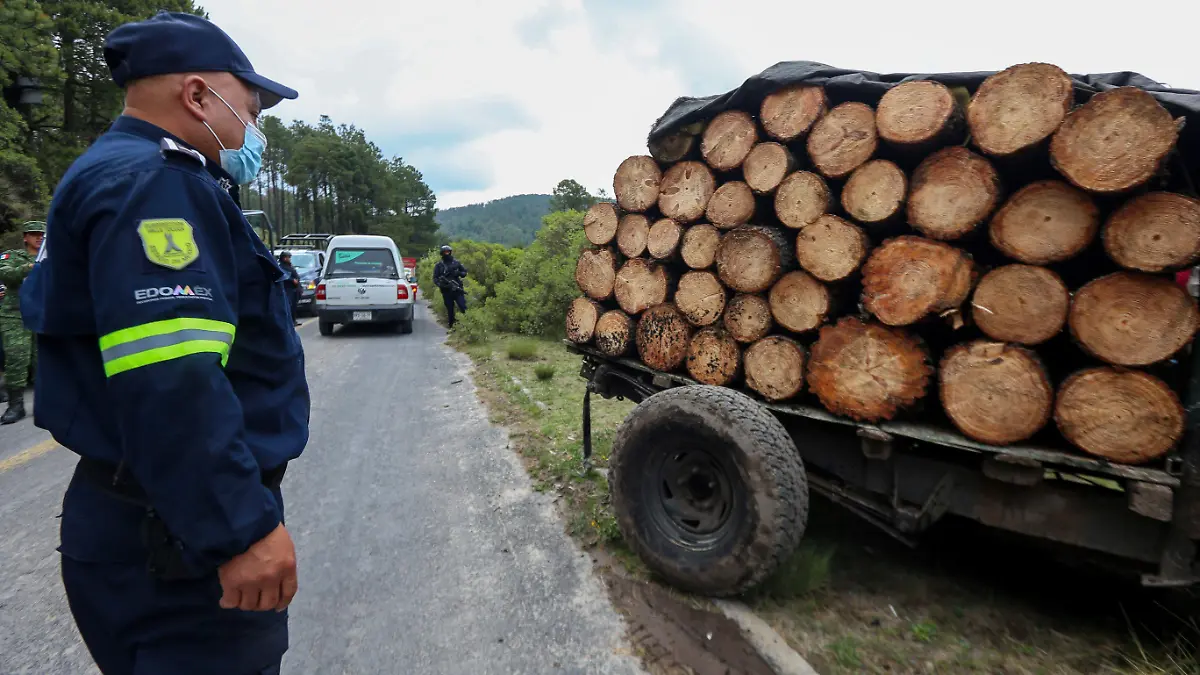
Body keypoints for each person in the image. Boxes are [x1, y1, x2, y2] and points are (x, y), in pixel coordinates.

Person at [18, 11, 309, 675]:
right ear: (197, 95)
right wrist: (239, 529)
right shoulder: (156, 185)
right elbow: (172, 376)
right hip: (176, 543)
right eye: (250, 109)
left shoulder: (114, 172)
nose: (255, 129)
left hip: (148, 517)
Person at [0, 220, 44, 423]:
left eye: (42, 235)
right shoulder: (13, 256)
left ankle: (45, 402)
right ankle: (16, 406)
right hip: (15, 314)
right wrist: (32, 266)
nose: (39, 238)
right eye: (34, 234)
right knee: (17, 357)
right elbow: (7, 274)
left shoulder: (53, 256)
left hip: (42, 313)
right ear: (25, 237)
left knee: (43, 360)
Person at [433, 244, 468, 328]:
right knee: (450, 309)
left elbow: (464, 272)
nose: (447, 253)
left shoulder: (456, 263)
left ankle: (467, 324)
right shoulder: (439, 265)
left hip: (457, 289)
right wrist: (441, 285)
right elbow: (435, 278)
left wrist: (458, 273)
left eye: (448, 252)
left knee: (463, 306)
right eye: (445, 252)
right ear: (442, 253)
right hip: (446, 290)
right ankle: (452, 326)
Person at [278, 251, 301, 326]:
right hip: (287, 289)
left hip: (294, 289)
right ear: (284, 258)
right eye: (288, 257)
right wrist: (292, 280)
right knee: (289, 306)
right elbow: (284, 276)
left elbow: (295, 274)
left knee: (294, 306)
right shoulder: (281, 267)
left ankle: (293, 320)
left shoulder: (290, 266)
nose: (289, 259)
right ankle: (289, 322)